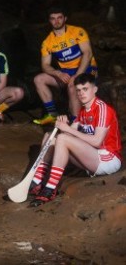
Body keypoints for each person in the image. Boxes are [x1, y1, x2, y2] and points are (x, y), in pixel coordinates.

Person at [29, 73, 121, 206]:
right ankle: (37, 181)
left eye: (85, 89)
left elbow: (96, 141)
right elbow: (66, 133)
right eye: (78, 90)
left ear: (94, 89)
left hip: (108, 158)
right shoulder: (83, 112)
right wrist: (63, 123)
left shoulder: (102, 109)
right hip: (91, 156)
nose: (81, 93)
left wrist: (67, 129)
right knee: (49, 136)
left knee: (63, 138)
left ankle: (50, 188)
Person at [33, 7, 97, 125]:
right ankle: (52, 115)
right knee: (38, 79)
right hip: (66, 71)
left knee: (73, 85)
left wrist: (77, 76)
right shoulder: (47, 42)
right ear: (49, 21)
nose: (56, 21)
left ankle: (75, 122)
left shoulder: (78, 31)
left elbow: (87, 53)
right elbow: (45, 65)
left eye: (59, 18)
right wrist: (58, 73)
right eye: (53, 18)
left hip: (86, 68)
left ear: (65, 18)